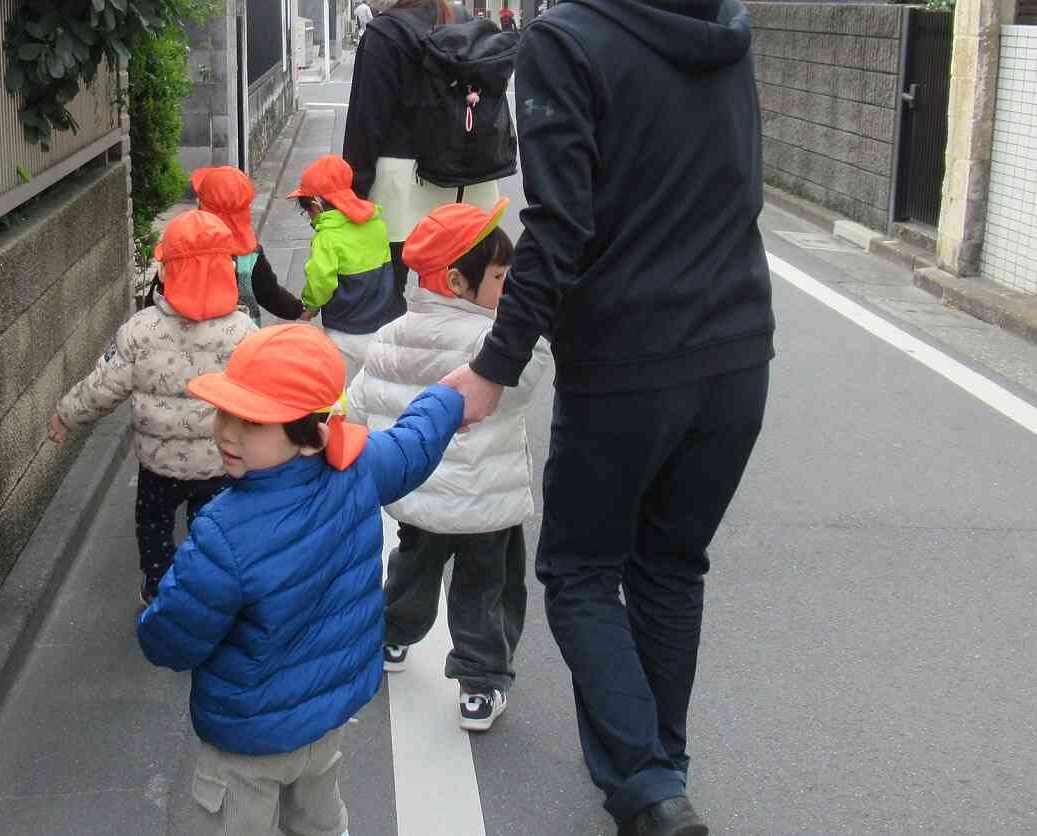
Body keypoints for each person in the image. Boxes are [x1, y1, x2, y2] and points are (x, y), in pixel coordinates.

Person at [440, 0, 776, 833]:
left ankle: (649, 783)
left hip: (627, 360)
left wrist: (492, 366)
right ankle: (661, 773)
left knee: (582, 573)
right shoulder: (726, 29)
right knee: (669, 566)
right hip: (737, 352)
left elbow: (558, 228)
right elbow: (746, 187)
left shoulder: (566, 42)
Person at [136, 324, 465, 836]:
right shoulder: (356, 469)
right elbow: (412, 445)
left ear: (310, 436)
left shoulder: (224, 533)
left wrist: (151, 621)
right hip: (324, 723)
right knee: (319, 823)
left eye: (252, 422)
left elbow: (171, 639)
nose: (227, 431)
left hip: (246, 741)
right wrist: (450, 398)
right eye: (226, 412)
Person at [348, 199, 549, 732]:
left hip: (416, 495)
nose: (510, 288)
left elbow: (360, 399)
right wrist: (538, 331)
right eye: (502, 277)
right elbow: (524, 385)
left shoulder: (392, 334)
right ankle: (479, 686)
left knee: (412, 569)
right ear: (459, 282)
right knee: (485, 592)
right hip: (486, 503)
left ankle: (390, 638)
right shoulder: (495, 343)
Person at [48, 210, 256, 606]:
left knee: (154, 524)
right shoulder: (243, 333)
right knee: (212, 527)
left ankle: (158, 584)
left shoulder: (141, 330)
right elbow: (267, 388)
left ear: (167, 273)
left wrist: (65, 414)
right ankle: (210, 587)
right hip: (222, 459)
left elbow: (103, 386)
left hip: (159, 463)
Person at [342, 0, 501, 304]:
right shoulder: (462, 18)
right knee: (462, 291)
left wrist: (353, 192)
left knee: (389, 292)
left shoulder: (385, 32)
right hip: (467, 180)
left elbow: (367, 121)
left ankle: (401, 350)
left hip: (402, 184)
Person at [288, 154, 402, 384]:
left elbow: (321, 281)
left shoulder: (326, 237)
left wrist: (310, 306)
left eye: (306, 211)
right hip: (381, 326)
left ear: (317, 206)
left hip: (343, 330)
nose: (308, 218)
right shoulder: (377, 225)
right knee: (373, 388)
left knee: (338, 390)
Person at [190, 166, 305, 324]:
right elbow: (270, 295)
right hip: (241, 339)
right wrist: (299, 310)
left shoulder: (182, 244)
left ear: (202, 206)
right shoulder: (250, 256)